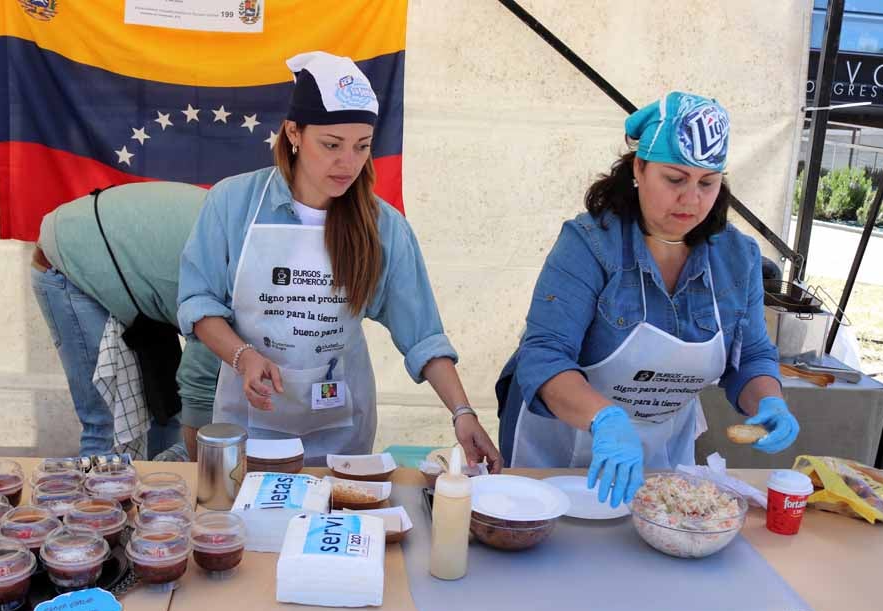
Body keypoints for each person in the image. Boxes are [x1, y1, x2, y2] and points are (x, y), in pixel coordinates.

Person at [178, 51, 501, 469]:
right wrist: (243, 356)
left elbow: (422, 334)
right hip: (250, 429)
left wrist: (462, 412)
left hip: (342, 435)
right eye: (331, 145)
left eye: (362, 146)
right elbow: (198, 301)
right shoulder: (234, 203)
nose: (347, 163)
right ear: (294, 133)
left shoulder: (384, 226)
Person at [495, 92, 799, 506]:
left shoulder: (737, 257)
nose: (691, 199)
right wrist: (605, 419)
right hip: (562, 446)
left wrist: (769, 401)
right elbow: (544, 356)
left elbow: (750, 357)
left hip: (662, 453)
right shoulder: (589, 244)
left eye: (707, 183)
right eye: (674, 179)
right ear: (639, 167)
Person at [32, 182, 220, 459]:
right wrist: (200, 466)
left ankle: (158, 483)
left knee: (166, 413)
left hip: (142, 276)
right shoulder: (233, 285)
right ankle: (103, 488)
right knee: (107, 424)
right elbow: (199, 384)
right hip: (75, 261)